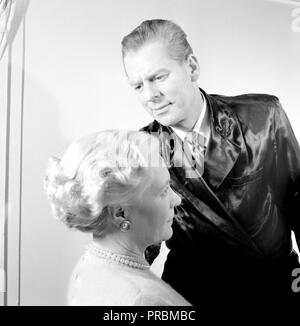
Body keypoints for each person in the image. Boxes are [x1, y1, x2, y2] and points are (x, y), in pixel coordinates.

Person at [121, 19, 300, 311]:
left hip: (276, 291)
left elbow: (298, 203)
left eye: (159, 78)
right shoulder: (143, 147)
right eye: (138, 85)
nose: (149, 95)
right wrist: (109, 273)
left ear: (191, 67)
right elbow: (141, 242)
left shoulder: (264, 116)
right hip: (189, 297)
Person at [44, 130, 191, 306]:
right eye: (164, 190)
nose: (177, 199)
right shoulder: (144, 300)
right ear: (121, 214)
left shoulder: (89, 266)